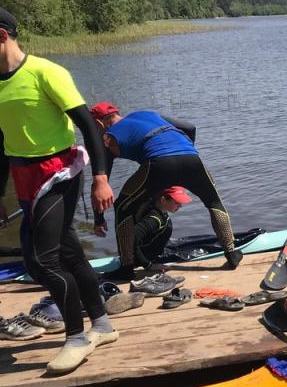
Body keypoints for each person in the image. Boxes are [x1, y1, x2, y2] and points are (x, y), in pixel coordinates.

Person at [0, 7, 119, 374]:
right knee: (69, 252)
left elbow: (88, 125)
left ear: (2, 35)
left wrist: (101, 178)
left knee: (42, 261)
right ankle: (102, 325)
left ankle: (76, 338)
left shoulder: (45, 72)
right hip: (23, 175)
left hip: (58, 172)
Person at [89, 102, 242, 278]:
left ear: (99, 123)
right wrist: (183, 153)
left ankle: (126, 267)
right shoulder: (146, 114)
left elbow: (101, 182)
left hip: (158, 162)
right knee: (213, 202)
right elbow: (189, 127)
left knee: (123, 207)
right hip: (191, 158)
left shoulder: (109, 138)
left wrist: (98, 218)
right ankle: (231, 253)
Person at [130, 185, 192, 273]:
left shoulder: (159, 208)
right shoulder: (153, 219)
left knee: (207, 242)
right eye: (177, 203)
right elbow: (131, 238)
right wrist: (148, 265)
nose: (180, 206)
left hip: (158, 249)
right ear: (163, 200)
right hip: (148, 258)